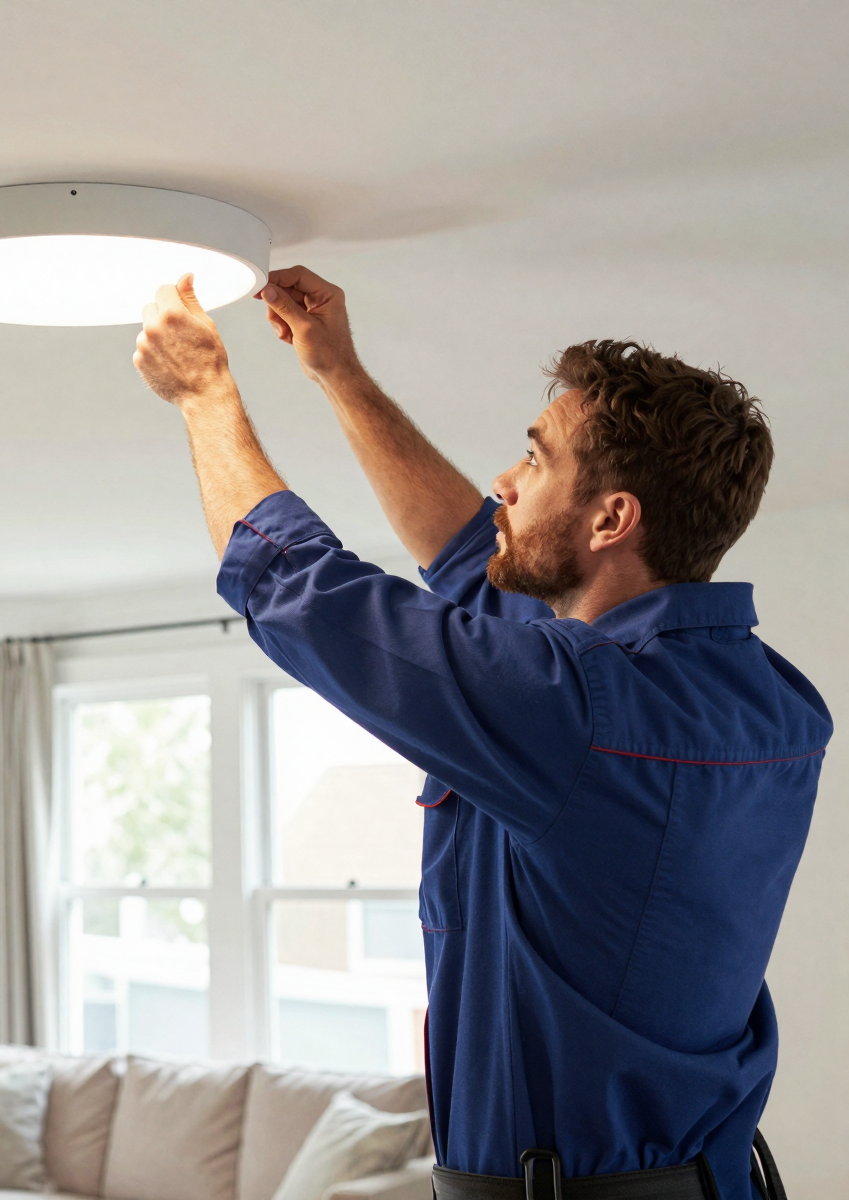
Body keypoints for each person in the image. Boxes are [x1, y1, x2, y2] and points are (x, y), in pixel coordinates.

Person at [132, 268, 830, 1200]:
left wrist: (204, 397)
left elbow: (301, 596)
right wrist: (339, 375)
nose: (506, 480)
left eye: (535, 459)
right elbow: (476, 563)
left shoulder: (576, 712)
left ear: (613, 519)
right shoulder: (764, 698)